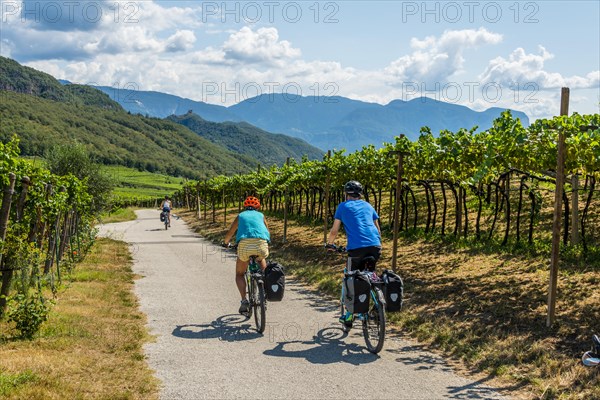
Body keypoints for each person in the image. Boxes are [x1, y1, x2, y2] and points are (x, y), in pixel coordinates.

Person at [326, 180, 382, 328]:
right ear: (360, 194)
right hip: (375, 246)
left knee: (350, 278)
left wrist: (329, 244)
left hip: (356, 250)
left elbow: (334, 230)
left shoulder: (342, 206)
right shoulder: (368, 205)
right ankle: (378, 304)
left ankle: (349, 316)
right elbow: (377, 228)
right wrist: (377, 244)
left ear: (346, 194)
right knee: (370, 274)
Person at [223, 196, 271, 314]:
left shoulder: (240, 216)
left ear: (245, 207)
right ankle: (265, 286)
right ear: (257, 207)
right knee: (262, 262)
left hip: (244, 246)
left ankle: (244, 301)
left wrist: (225, 243)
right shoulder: (261, 216)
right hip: (261, 244)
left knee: (239, 274)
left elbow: (231, 232)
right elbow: (267, 232)